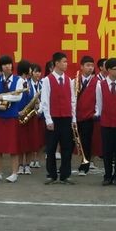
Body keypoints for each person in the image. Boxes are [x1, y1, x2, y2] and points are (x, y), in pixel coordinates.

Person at [0, 55, 25, 182]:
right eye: (4, 64)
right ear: (1, 67)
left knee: (13, 147)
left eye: (9, 64)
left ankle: (14, 173)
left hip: (11, 116)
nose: (7, 66)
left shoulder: (18, 80)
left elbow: (18, 96)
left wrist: (2, 97)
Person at [40, 52, 77, 184]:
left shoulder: (69, 80)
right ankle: (52, 174)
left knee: (67, 147)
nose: (66, 64)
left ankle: (65, 174)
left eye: (66, 62)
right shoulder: (47, 80)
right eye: (64, 62)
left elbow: (72, 100)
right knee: (51, 147)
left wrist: (73, 119)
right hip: (53, 118)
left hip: (66, 118)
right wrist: (48, 119)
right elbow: (45, 101)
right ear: (56, 63)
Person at [95, 57, 116, 186]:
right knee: (107, 151)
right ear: (108, 70)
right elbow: (99, 104)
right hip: (106, 122)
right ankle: (107, 175)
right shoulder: (100, 85)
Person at [75, 56, 99, 176]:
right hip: (75, 116)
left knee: (86, 141)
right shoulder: (75, 81)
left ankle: (85, 165)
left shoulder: (97, 82)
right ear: (82, 67)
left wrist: (96, 112)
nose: (90, 68)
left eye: (92, 66)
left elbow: (99, 100)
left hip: (89, 117)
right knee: (72, 142)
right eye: (87, 65)